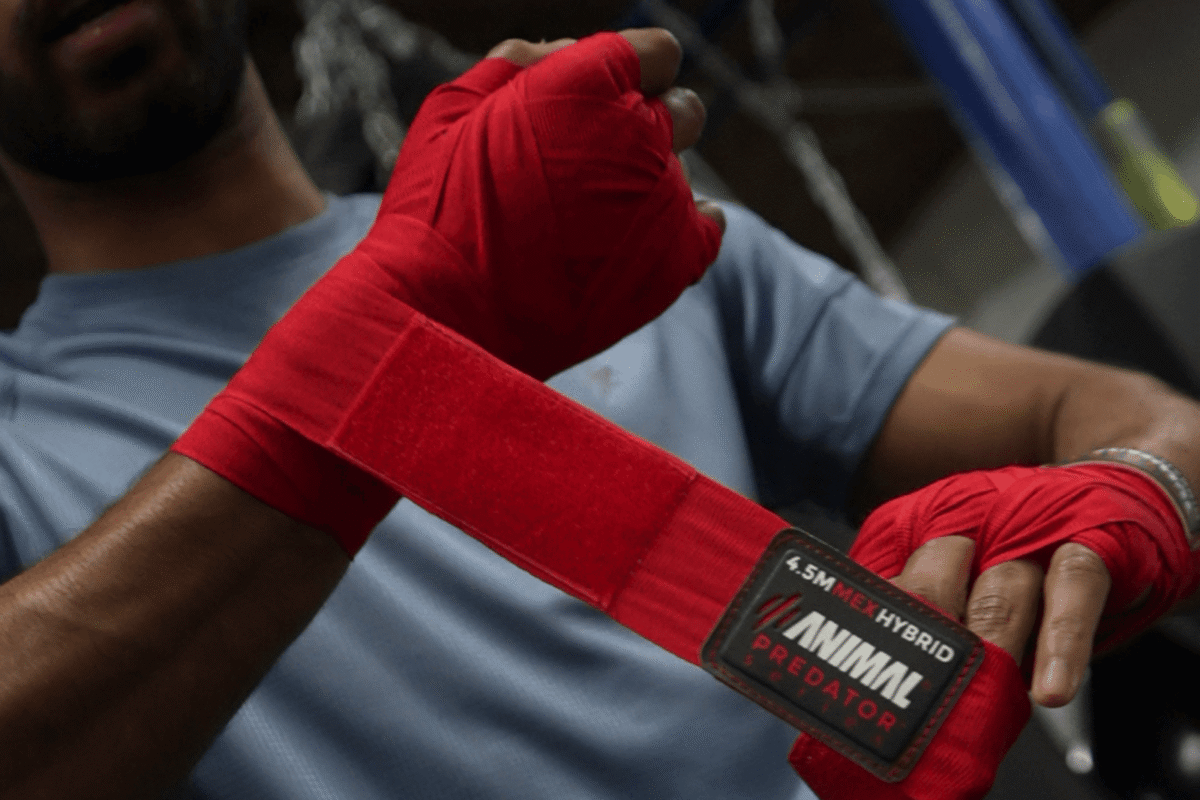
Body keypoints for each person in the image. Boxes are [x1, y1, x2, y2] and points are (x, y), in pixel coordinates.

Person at [0, 2, 1197, 799]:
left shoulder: (577, 231)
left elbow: (1119, 412)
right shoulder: (22, 437)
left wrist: (1141, 487)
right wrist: (376, 358)